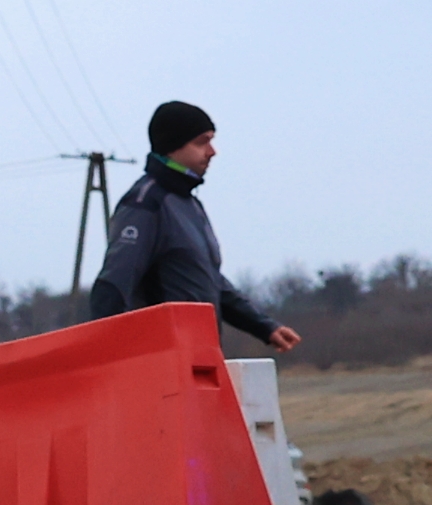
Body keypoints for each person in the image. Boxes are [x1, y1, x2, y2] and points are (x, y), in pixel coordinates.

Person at [87, 102, 302, 350]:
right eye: (202, 142)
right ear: (172, 145)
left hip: (200, 355)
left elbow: (209, 280)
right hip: (163, 359)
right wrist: (107, 358)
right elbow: (114, 284)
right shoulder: (145, 204)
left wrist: (264, 326)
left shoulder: (189, 204)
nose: (212, 151)